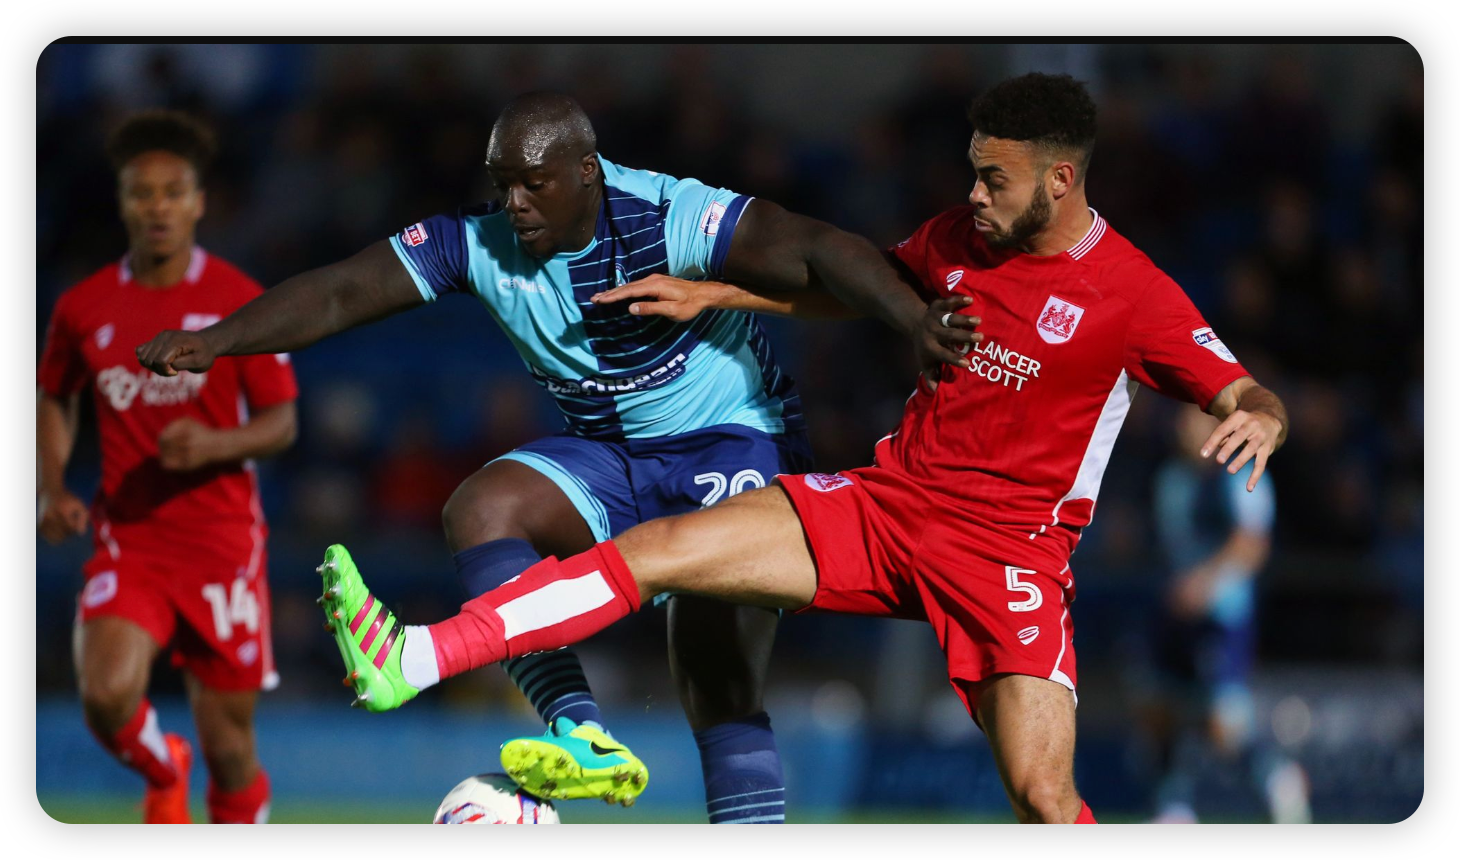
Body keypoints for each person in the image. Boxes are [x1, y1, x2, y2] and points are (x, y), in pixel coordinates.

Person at [303, 73, 1290, 824]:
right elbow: (841, 285)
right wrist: (714, 291)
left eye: (994, 177)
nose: (974, 193)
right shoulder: (958, 236)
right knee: (660, 550)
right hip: (886, 505)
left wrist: (1261, 416)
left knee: (1041, 795)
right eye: (972, 171)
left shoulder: (1133, 294)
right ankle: (418, 654)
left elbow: (1241, 387)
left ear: (1059, 179)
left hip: (1009, 558)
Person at [136, 93, 960, 819]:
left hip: (733, 441)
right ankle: (581, 733)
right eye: (503, 184)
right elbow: (343, 289)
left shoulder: (668, 214)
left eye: (534, 183)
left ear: (587, 172)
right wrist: (220, 340)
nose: (516, 203)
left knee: (717, 678)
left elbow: (813, 246)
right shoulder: (476, 243)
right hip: (608, 458)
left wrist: (912, 320)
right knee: (482, 506)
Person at [37, 110, 298, 824]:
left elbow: (282, 423)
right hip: (132, 539)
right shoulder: (83, 307)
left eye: (173, 191)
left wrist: (214, 445)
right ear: (122, 202)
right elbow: (55, 395)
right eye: (142, 192)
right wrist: (50, 486)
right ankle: (162, 764)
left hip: (222, 545)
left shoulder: (240, 302)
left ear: (199, 201)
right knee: (104, 694)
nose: (158, 207)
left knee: (230, 749)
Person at [1144, 407, 1310, 824]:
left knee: (1222, 726)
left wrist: (1204, 583)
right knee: (1159, 710)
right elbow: (1173, 545)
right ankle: (1173, 807)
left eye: (1192, 418)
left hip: (1224, 615)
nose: (1183, 427)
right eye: (1179, 418)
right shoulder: (1170, 478)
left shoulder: (1240, 475)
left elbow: (1251, 545)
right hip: (1177, 612)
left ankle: (1276, 774)